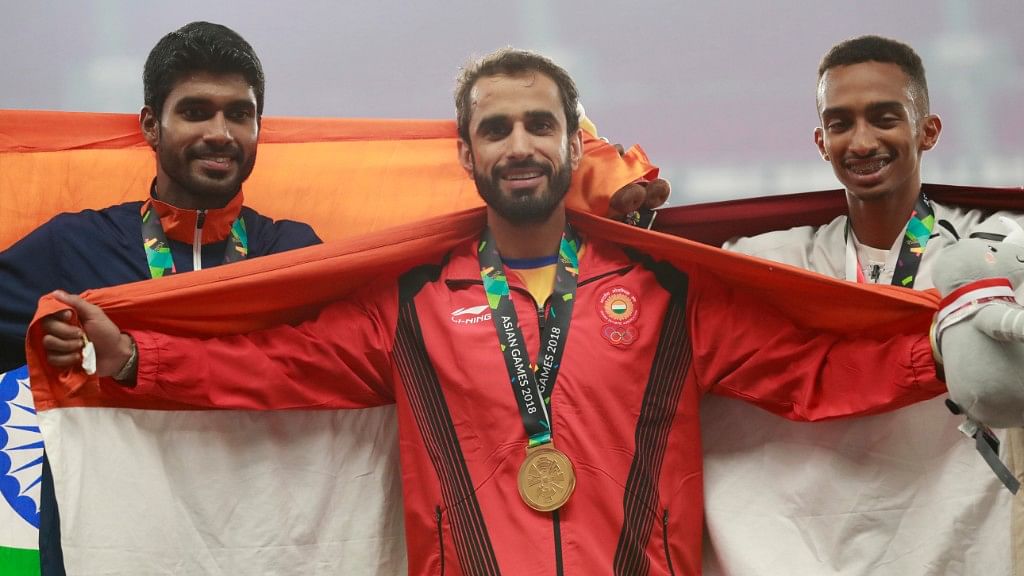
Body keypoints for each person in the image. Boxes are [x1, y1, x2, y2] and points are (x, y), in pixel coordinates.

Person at [39, 47, 946, 574]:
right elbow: (271, 366)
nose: (520, 146)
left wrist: (944, 354)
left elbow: (813, 375)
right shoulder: (409, 301)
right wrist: (132, 361)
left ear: (567, 143)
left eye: (539, 125)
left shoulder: (668, 292)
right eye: (496, 129)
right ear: (467, 156)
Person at [0, 21, 322, 575]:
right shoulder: (71, 246)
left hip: (259, 553)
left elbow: (356, 366)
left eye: (239, 114)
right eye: (196, 111)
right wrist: (39, 331)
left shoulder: (295, 254)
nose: (221, 132)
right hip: (103, 552)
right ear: (151, 124)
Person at [701, 35, 1024, 575]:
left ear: (928, 130)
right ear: (820, 142)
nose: (862, 140)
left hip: (964, 547)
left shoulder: (990, 249)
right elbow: (669, 277)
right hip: (819, 549)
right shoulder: (778, 260)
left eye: (884, 118)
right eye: (840, 123)